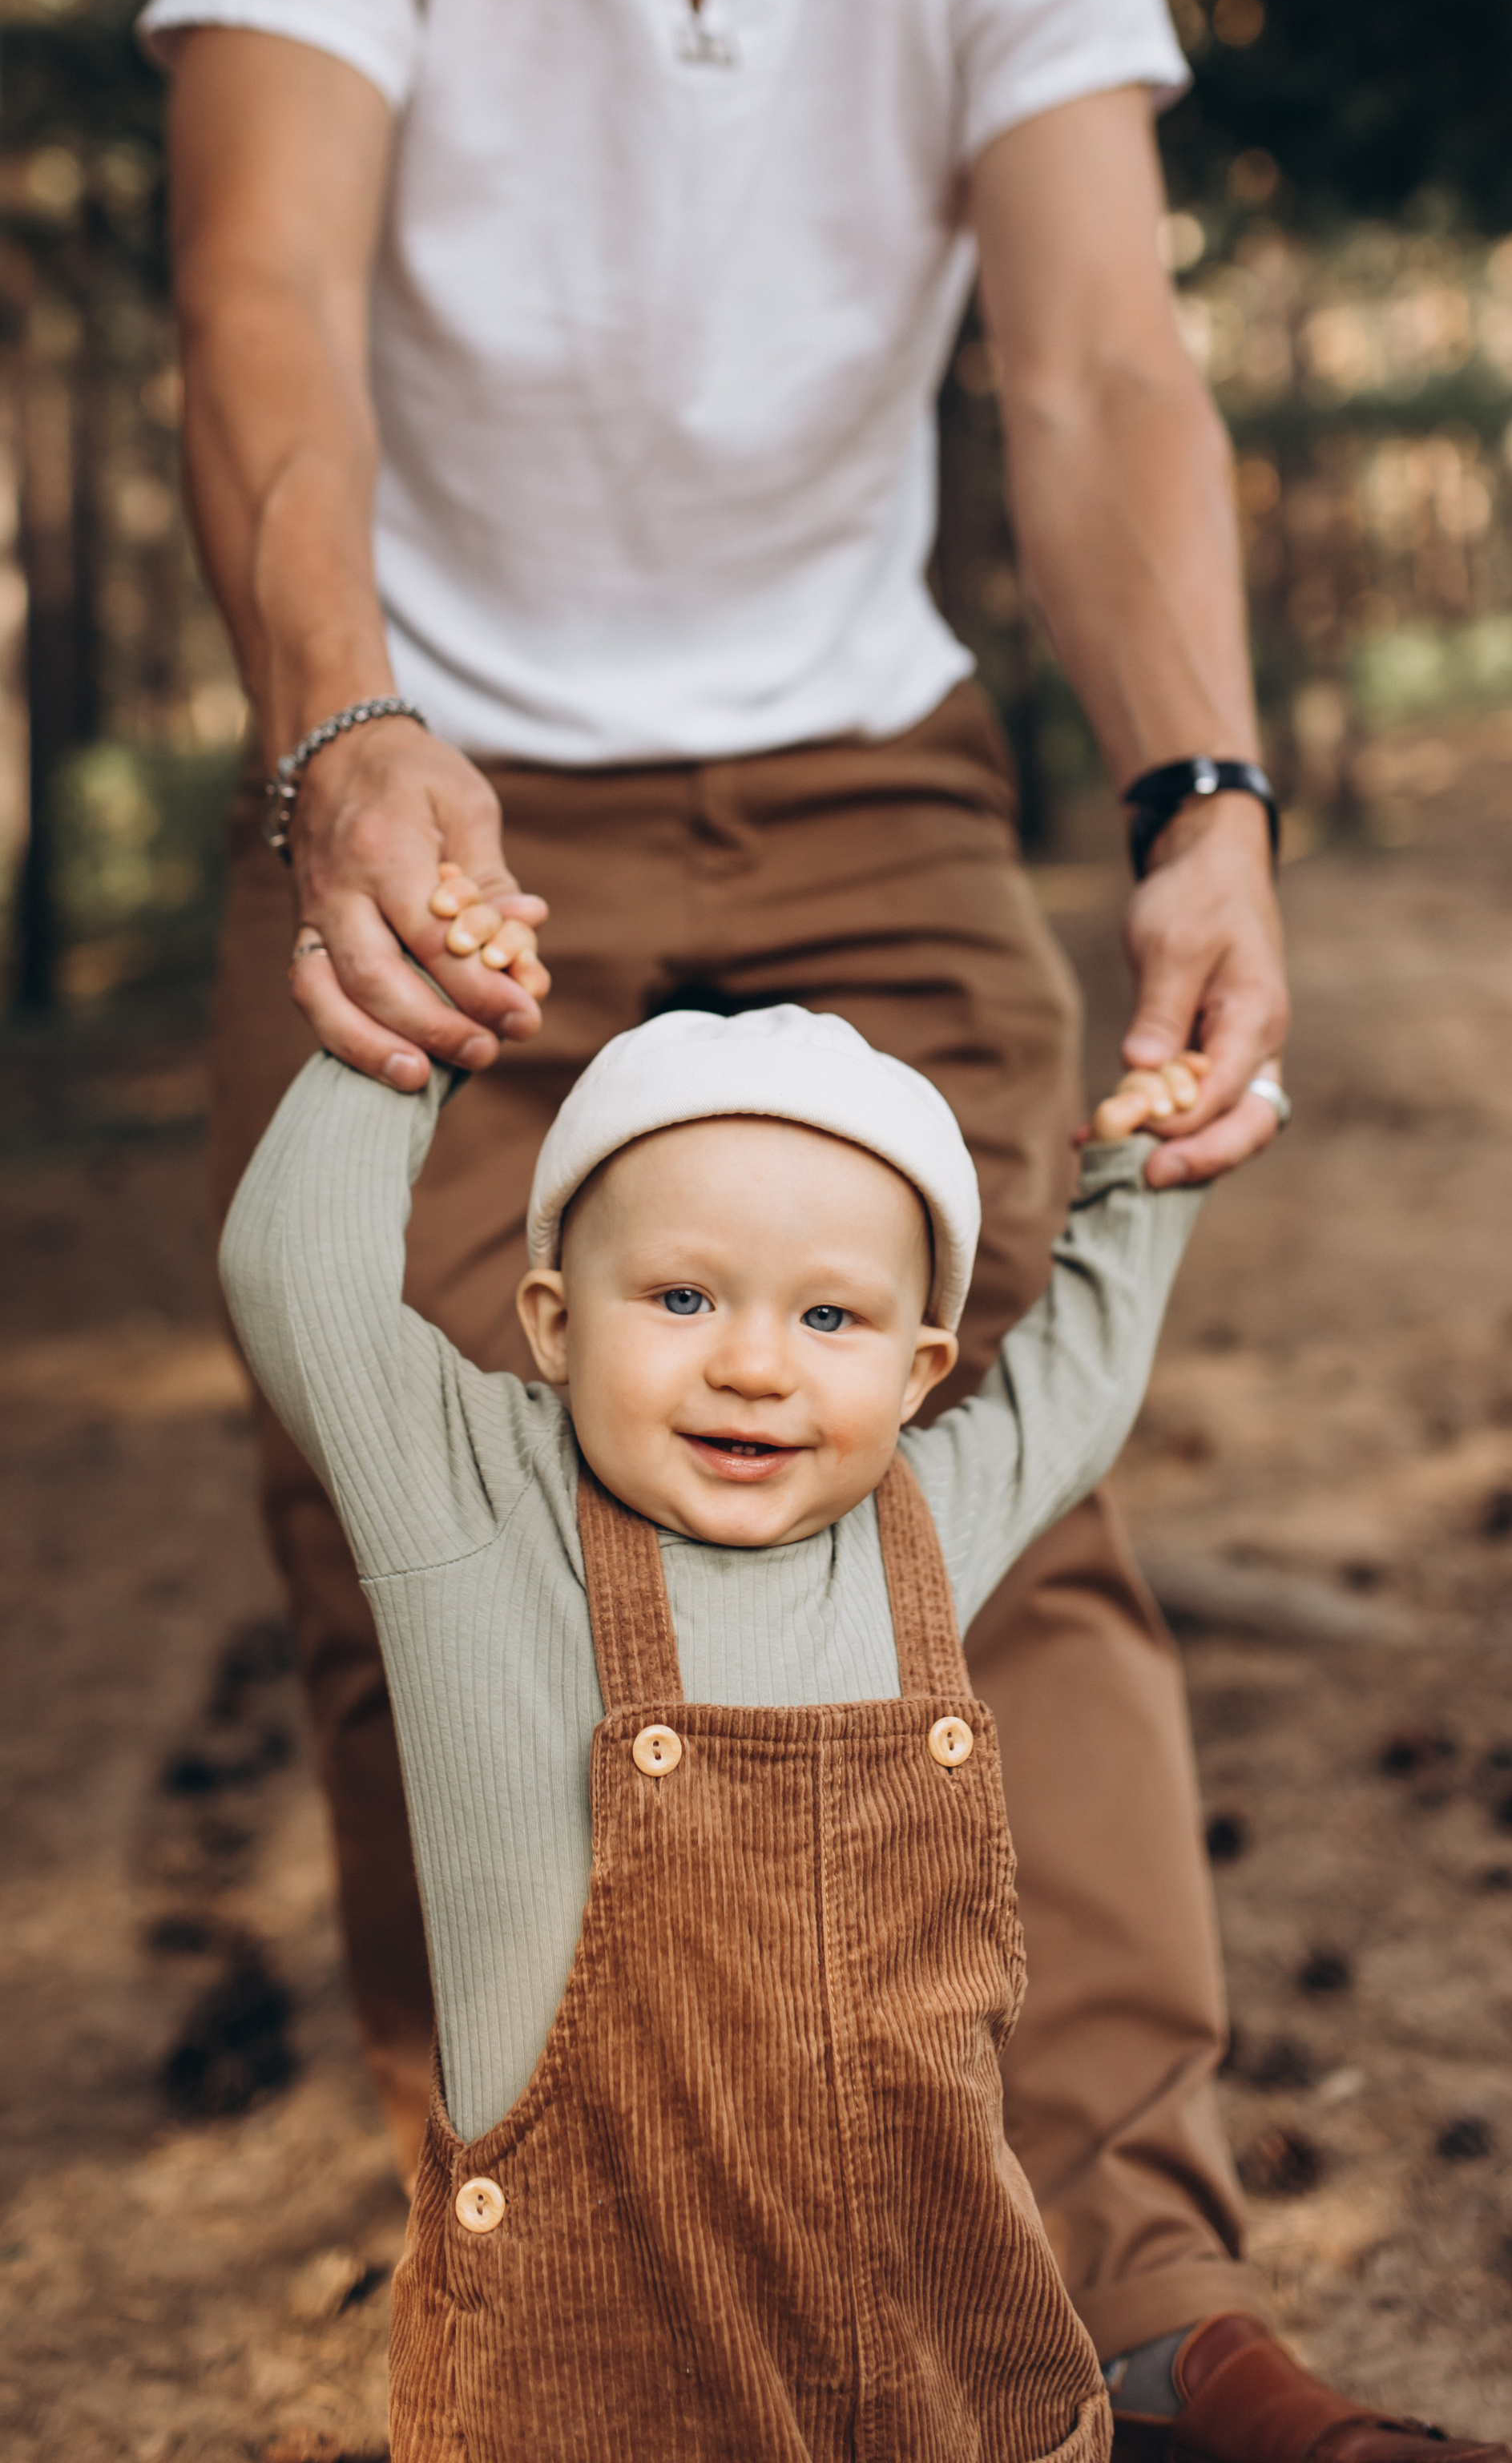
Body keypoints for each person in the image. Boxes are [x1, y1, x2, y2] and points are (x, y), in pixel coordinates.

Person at [143, 0, 1512, 2442]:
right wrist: (350, 739)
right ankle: (568, 2268)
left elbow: (1099, 371)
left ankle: (1144, 2320)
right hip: (432, 775)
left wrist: (1201, 791)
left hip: (860, 774)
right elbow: (262, 315)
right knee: (428, 1515)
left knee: (982, 1461)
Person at [221, 999, 1213, 2460]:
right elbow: (292, 1278)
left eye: (830, 1317)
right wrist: (408, 1026)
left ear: (919, 1371)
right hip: (596, 2350)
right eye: (682, 1299)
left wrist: (1142, 1178)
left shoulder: (918, 1532)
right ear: (555, 1323)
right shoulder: (475, 1506)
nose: (755, 1363)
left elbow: (1075, 1389)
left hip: (922, 2328)